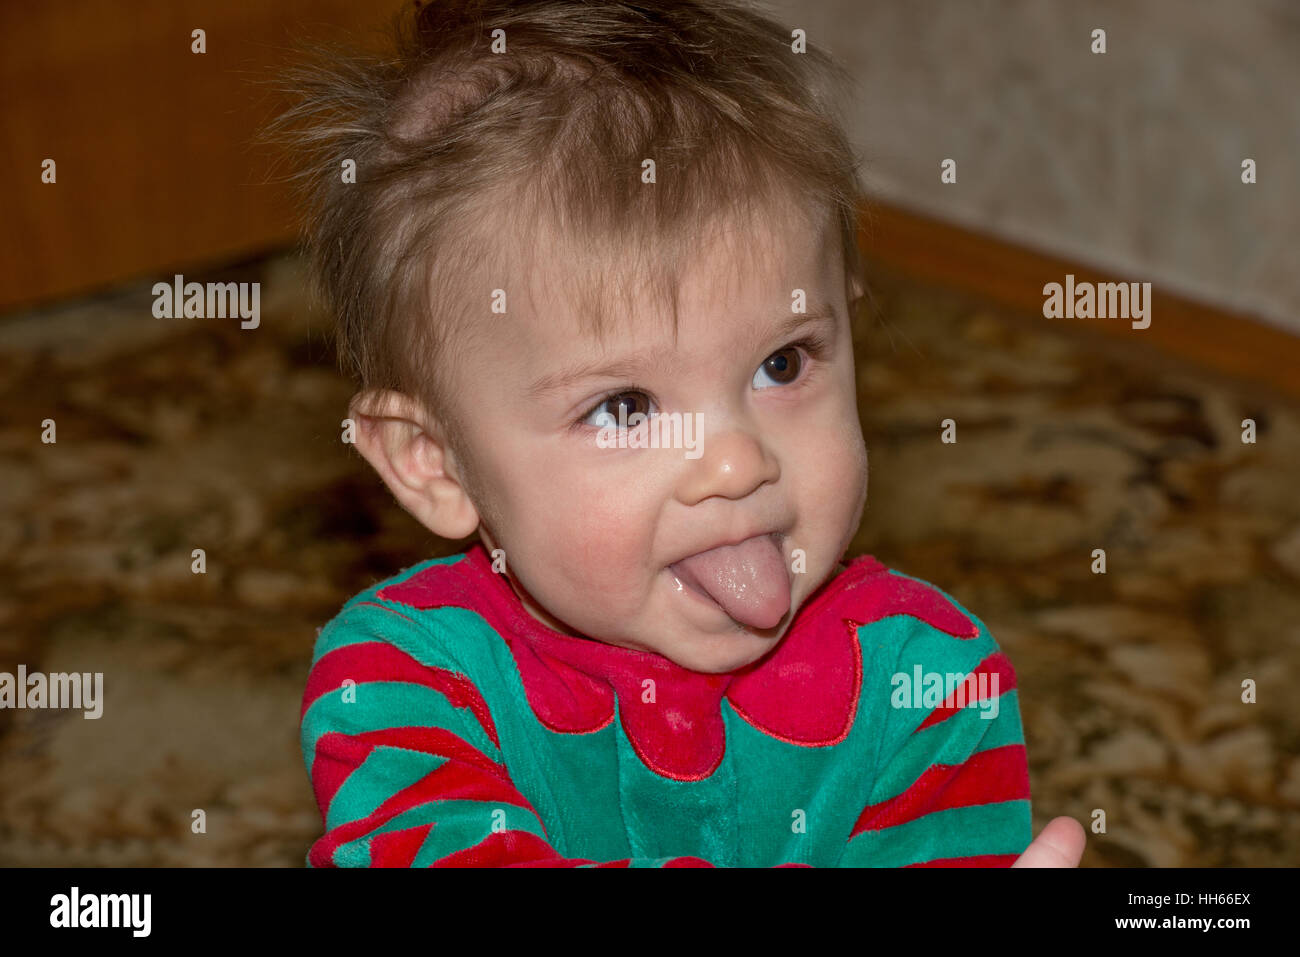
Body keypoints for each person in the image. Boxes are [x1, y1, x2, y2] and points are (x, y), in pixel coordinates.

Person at [282, 0, 1086, 867]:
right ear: (433, 462)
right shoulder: (403, 681)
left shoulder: (926, 681)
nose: (737, 460)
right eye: (624, 406)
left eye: (782, 364)